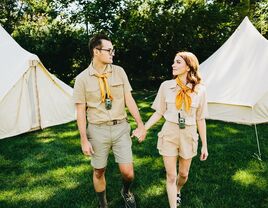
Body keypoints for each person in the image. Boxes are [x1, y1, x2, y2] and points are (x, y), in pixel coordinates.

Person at [73, 34, 146, 208]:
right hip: (97, 130)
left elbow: (129, 99)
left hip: (121, 127)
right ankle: (103, 204)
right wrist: (84, 139)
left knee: (128, 173)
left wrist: (140, 124)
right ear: (96, 52)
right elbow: (80, 112)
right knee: (99, 171)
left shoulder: (119, 71)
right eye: (109, 50)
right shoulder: (82, 79)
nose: (112, 53)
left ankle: (126, 191)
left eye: (112, 49)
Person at [133, 51, 208, 208]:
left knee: (183, 174)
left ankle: (178, 190)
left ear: (188, 67)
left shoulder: (200, 90)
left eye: (178, 62)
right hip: (169, 133)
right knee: (171, 175)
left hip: (189, 134)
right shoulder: (166, 86)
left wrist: (204, 145)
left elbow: (200, 119)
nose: (173, 64)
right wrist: (143, 128)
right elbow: (159, 112)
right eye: (174, 61)